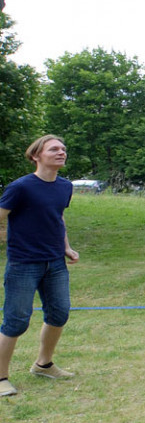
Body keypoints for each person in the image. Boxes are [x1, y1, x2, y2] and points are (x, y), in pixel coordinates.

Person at [0, 135, 79, 397]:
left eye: (63, 149)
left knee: (59, 314)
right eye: (54, 149)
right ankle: (1, 377)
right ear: (36, 156)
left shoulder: (65, 186)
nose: (61, 152)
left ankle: (43, 365)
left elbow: (57, 218)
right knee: (16, 321)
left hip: (55, 262)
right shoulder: (20, 187)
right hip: (23, 263)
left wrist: (66, 247)